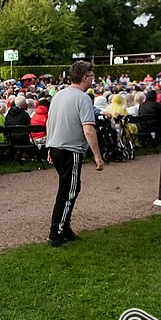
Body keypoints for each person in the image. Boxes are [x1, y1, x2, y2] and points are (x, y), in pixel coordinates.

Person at [46, 61, 104, 247]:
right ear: (85, 77)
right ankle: (56, 234)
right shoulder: (83, 98)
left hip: (56, 147)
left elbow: (50, 122)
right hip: (70, 150)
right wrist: (97, 155)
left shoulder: (58, 95)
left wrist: (50, 145)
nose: (93, 79)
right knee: (68, 191)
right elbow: (88, 129)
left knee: (69, 188)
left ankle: (65, 227)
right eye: (92, 76)